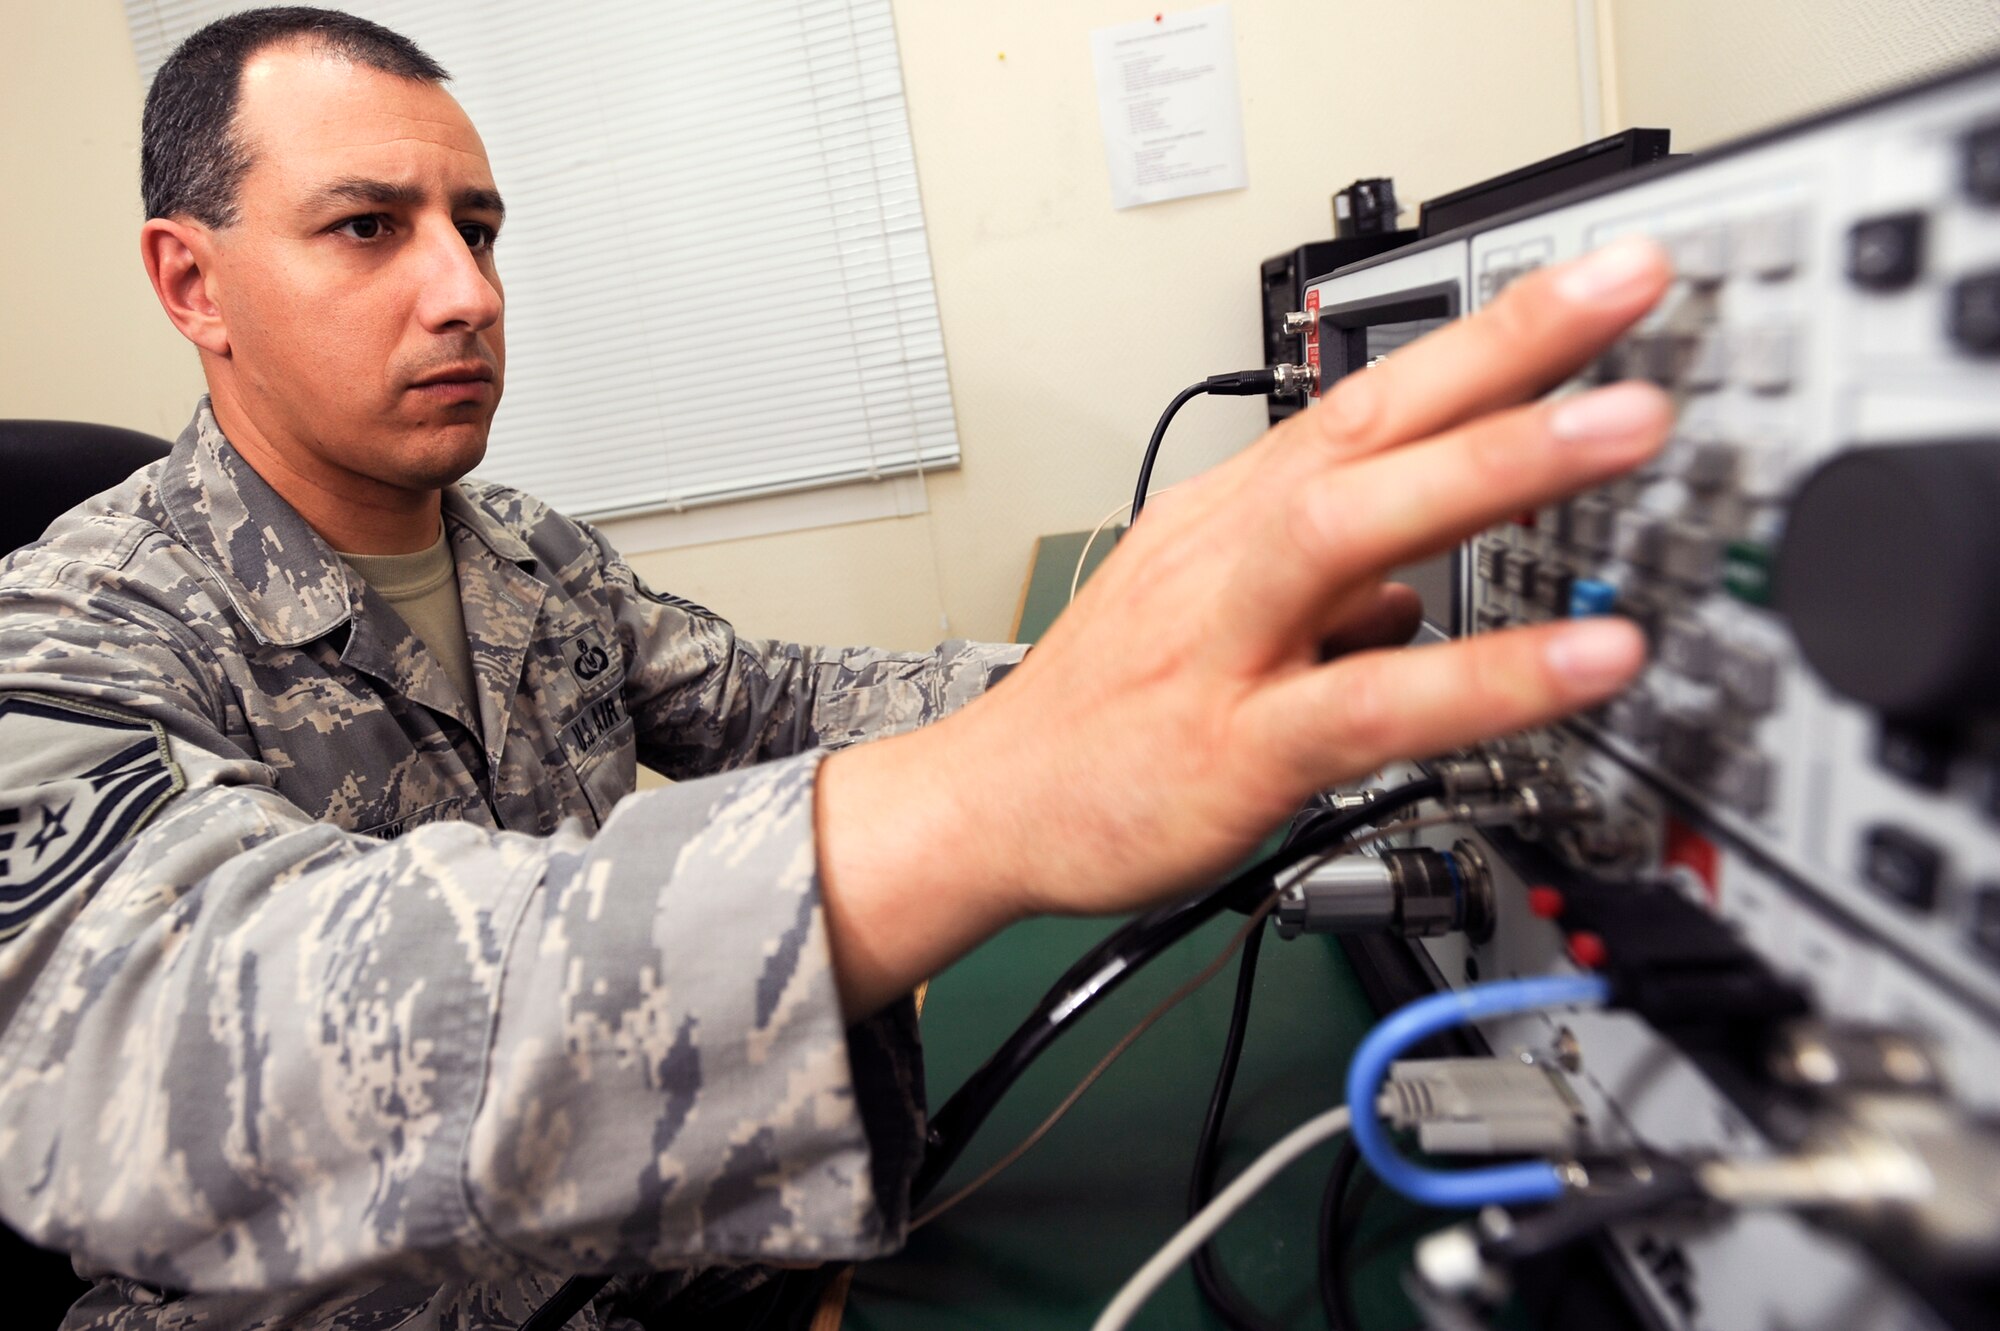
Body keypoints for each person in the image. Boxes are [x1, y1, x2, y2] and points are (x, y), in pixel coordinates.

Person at [0, 8, 1673, 1329]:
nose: (467, 292)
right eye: (368, 227)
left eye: (481, 228)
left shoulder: (520, 547)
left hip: (667, 1256)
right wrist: (989, 804)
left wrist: (1106, 670)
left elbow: (784, 700)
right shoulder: (66, 621)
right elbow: (160, 1031)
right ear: (192, 282)